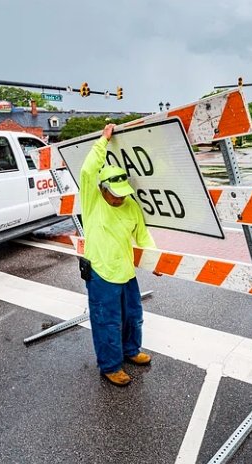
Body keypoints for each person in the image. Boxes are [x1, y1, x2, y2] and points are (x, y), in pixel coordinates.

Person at [80, 123, 156, 387]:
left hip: (126, 272)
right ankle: (111, 366)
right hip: (101, 273)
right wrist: (103, 140)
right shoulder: (92, 202)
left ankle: (131, 351)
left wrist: (155, 260)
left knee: (133, 315)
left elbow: (143, 236)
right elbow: (88, 170)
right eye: (115, 195)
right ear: (102, 189)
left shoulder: (130, 205)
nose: (119, 200)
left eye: (123, 194)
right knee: (107, 321)